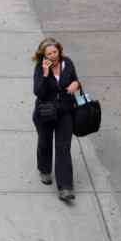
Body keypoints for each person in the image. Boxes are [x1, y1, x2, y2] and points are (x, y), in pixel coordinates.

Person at [32, 37, 80, 201]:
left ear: (59, 50)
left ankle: (65, 187)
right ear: (43, 56)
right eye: (49, 53)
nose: (53, 55)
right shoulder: (40, 68)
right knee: (45, 142)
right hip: (45, 112)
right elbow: (38, 92)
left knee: (63, 148)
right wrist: (46, 75)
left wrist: (76, 84)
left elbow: (75, 79)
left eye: (55, 51)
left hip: (65, 112)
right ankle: (44, 169)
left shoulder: (68, 63)